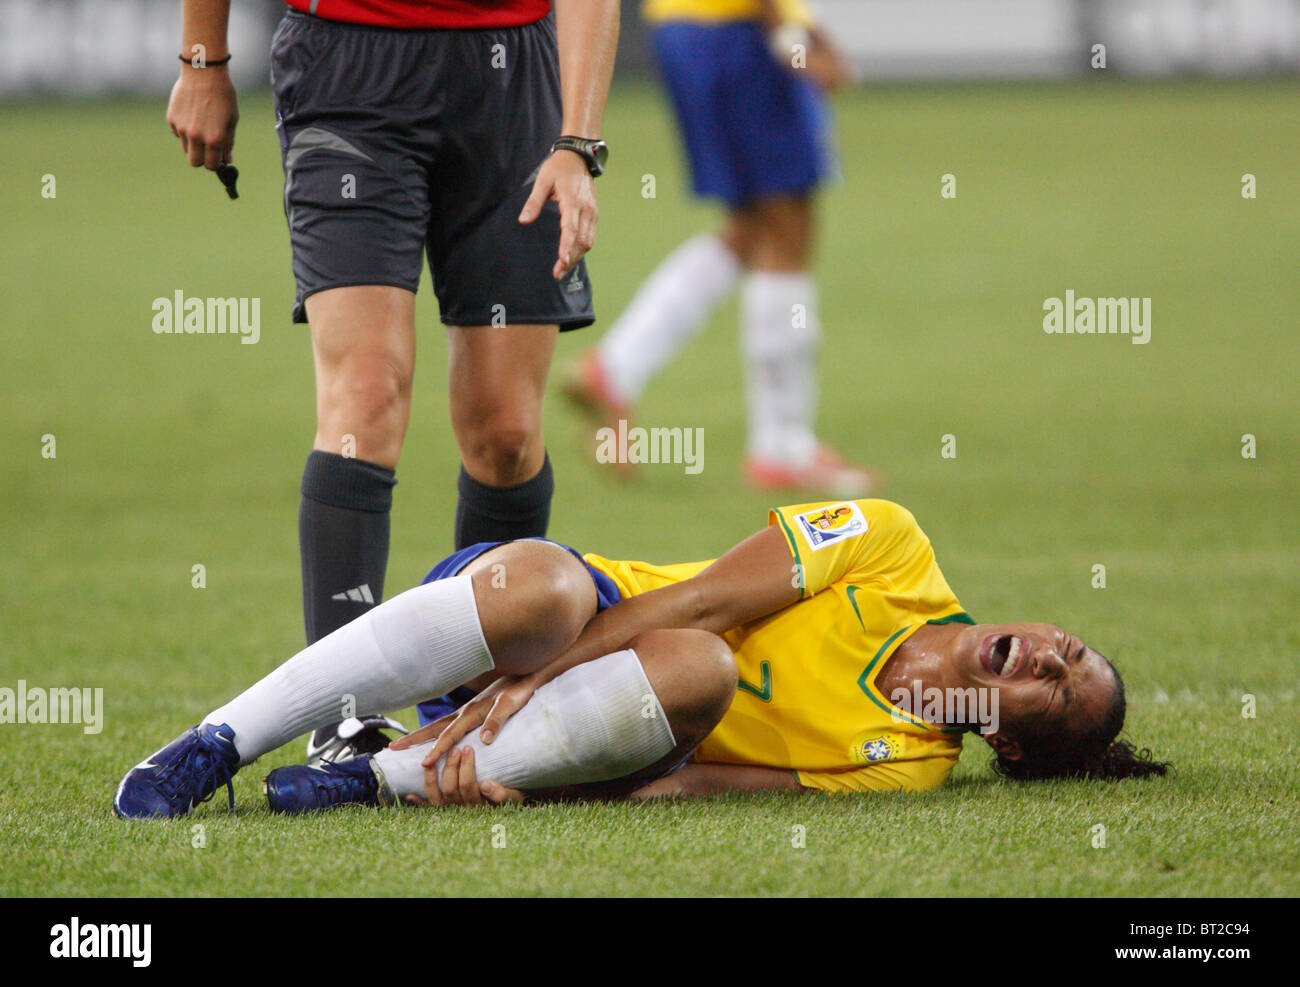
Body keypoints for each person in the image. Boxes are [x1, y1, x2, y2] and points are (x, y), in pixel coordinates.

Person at [165, 0, 619, 760]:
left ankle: (477, 712)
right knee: (365, 396)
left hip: (512, 80)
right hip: (346, 68)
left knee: (506, 433)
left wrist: (576, 141)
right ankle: (339, 719)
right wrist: (201, 60)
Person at [113, 498, 1168, 819]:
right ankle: (207, 747)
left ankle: (376, 776)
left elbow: (688, 774)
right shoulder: (890, 549)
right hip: (545, 612)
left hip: (572, 722)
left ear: (1012, 749)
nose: (1042, 660)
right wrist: (538, 671)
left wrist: (541, 767)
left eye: (1052, 692)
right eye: (1063, 649)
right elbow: (701, 597)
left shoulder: (903, 762)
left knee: (698, 675)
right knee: (565, 596)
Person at [564, 0, 873, 494]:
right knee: (788, 227)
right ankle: (783, 447)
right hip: (742, 35)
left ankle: (616, 368)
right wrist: (795, 45)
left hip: (682, 32)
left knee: (750, 227)